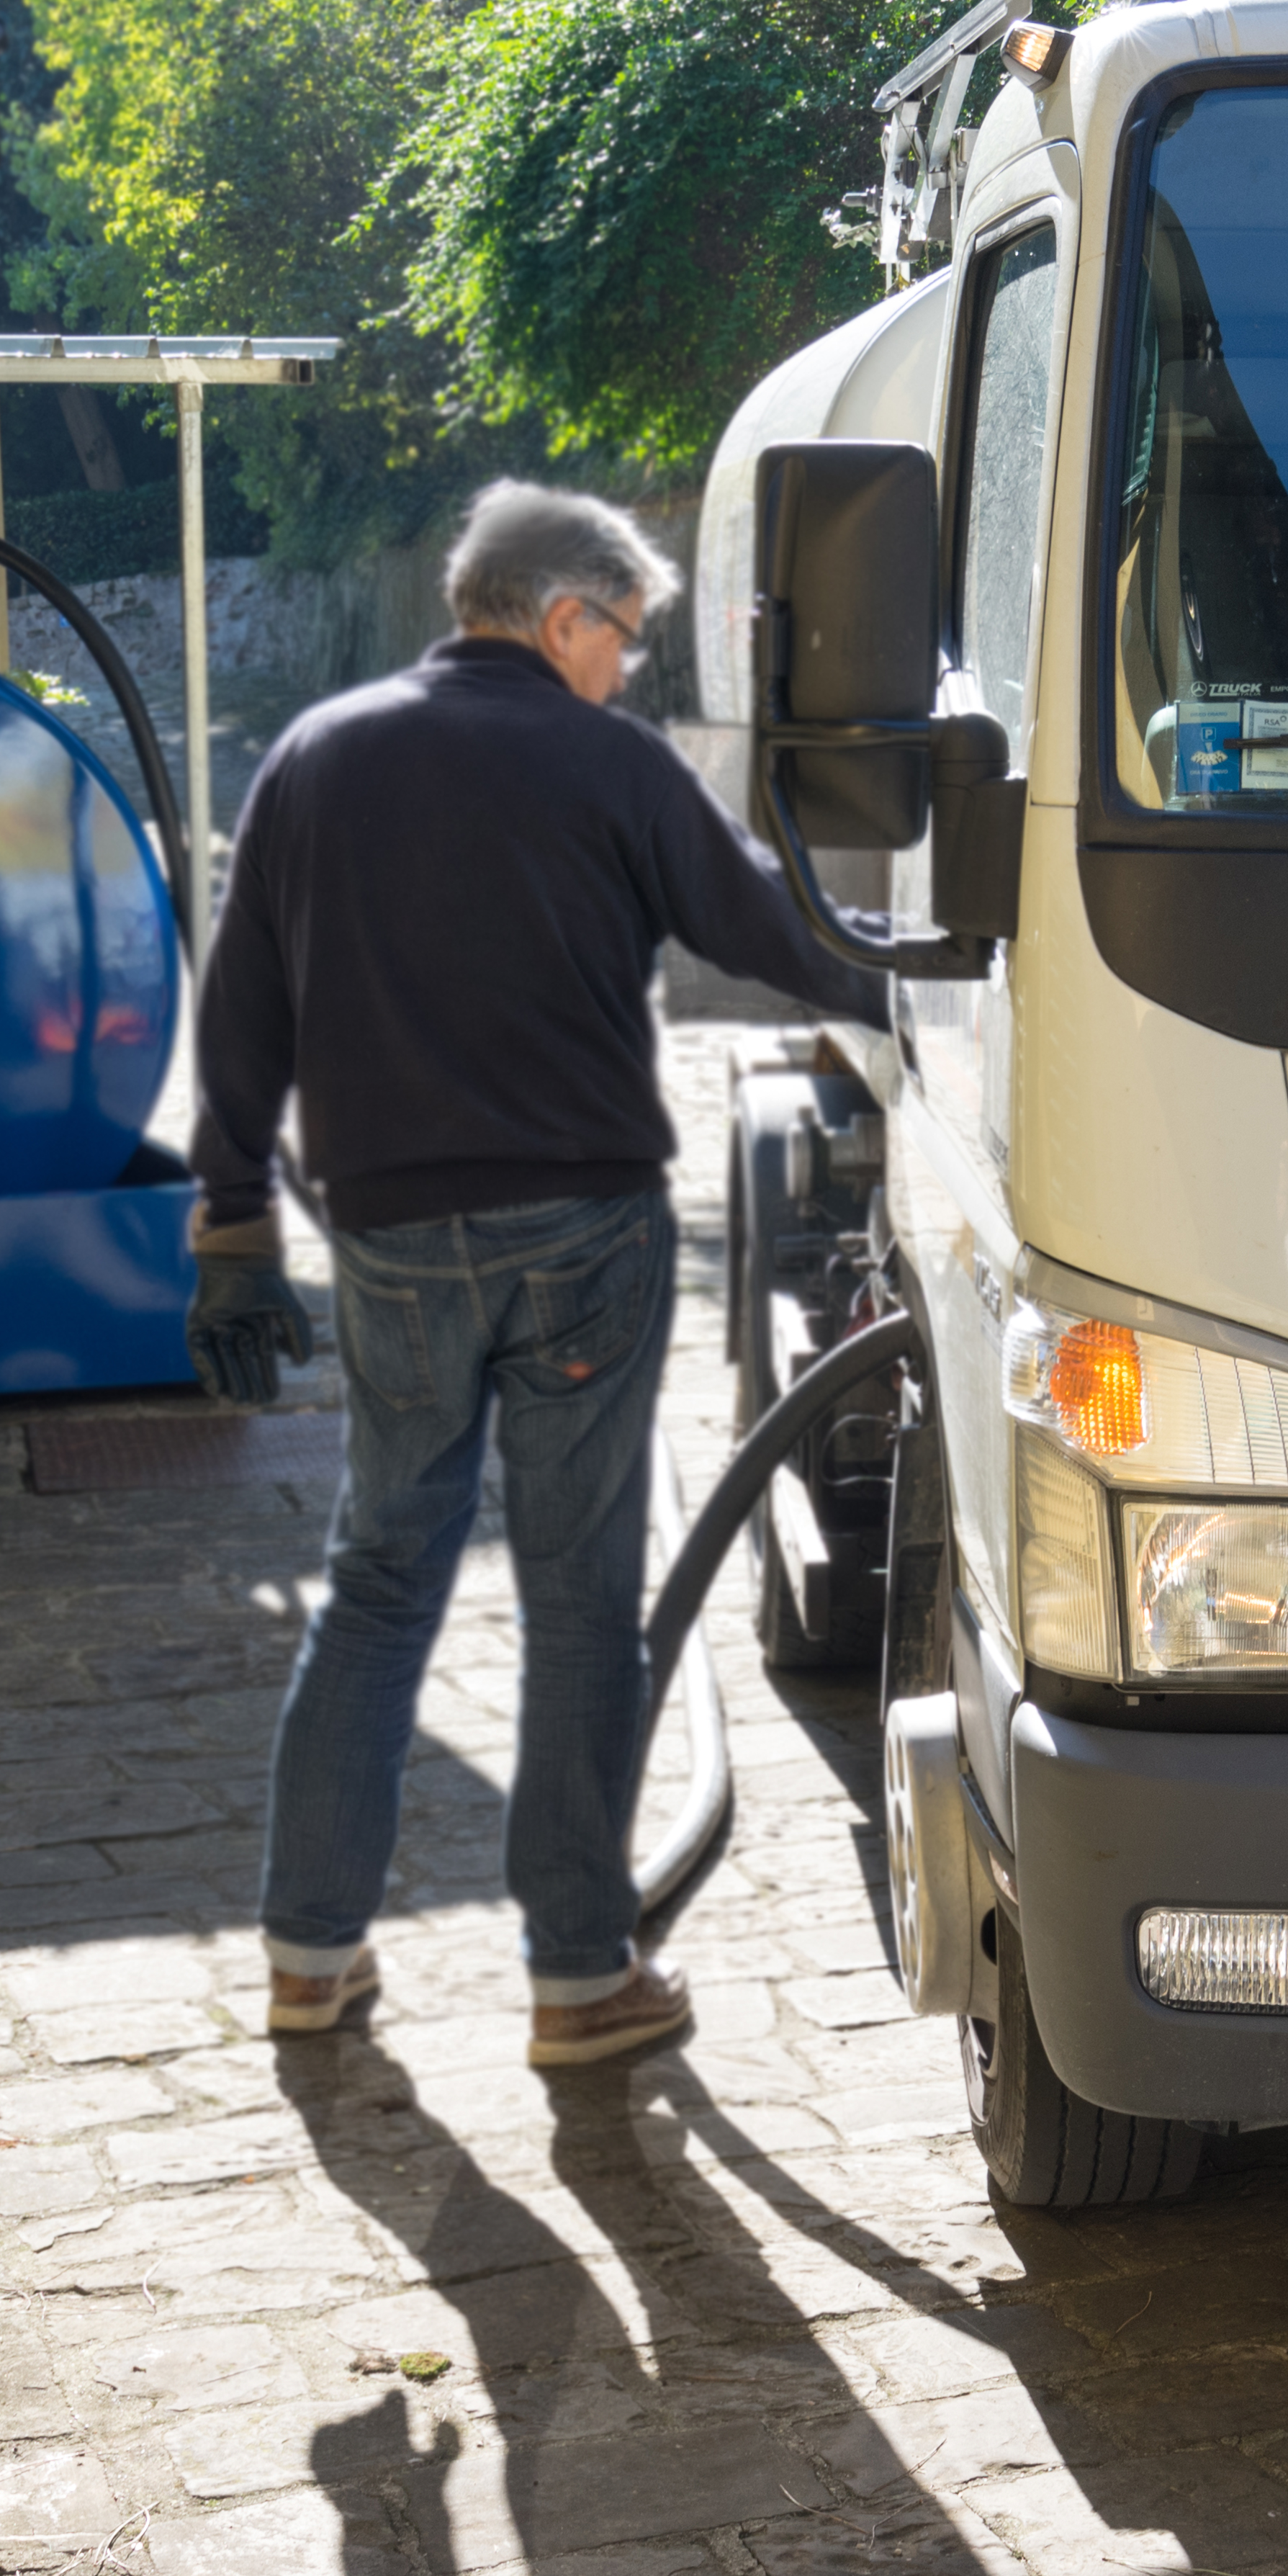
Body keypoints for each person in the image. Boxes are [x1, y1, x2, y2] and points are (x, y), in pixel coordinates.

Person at [189, 480, 888, 2069]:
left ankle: (309, 1956)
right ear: (561, 612)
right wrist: (930, 994)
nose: (628, 669)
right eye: (625, 637)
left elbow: (241, 1009)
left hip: (386, 1234)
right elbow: (764, 929)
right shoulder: (606, 763)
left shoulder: (317, 756)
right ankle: (579, 1977)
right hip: (581, 1228)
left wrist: (231, 1218)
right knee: (583, 1601)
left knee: (377, 1579)